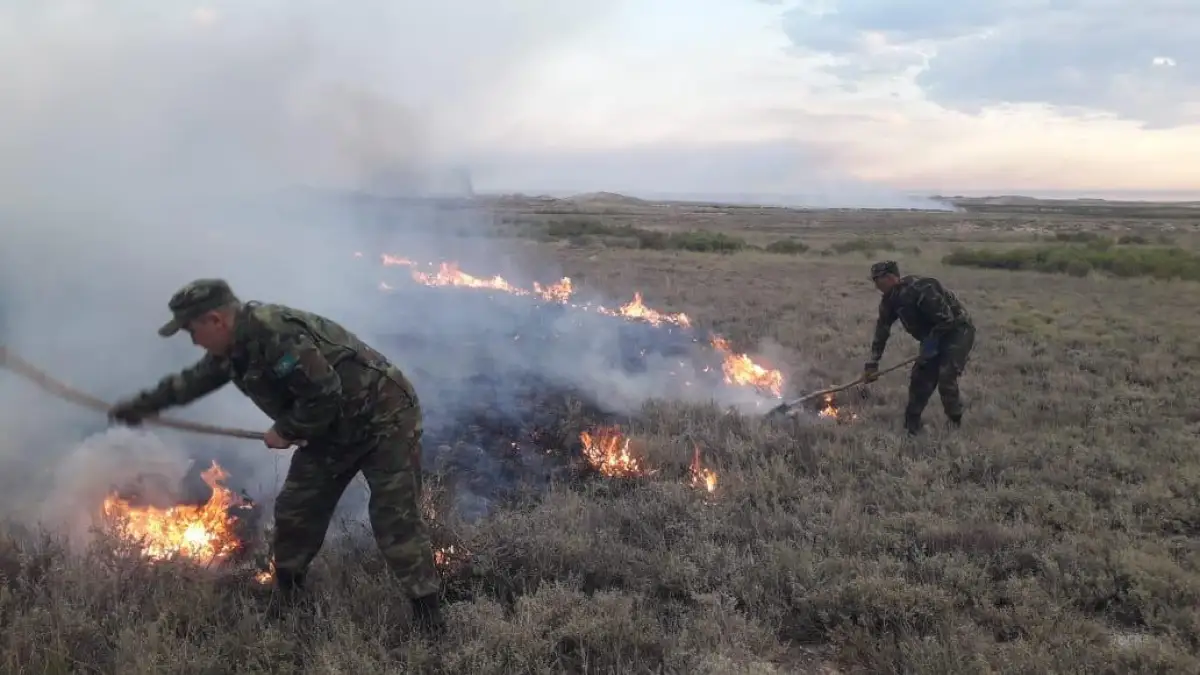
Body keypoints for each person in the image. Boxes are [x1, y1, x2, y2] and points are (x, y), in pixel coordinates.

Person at [107, 278, 445, 635]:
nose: (193, 340)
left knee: (394, 515)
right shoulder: (232, 351)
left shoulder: (275, 334)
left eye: (193, 330)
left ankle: (429, 615)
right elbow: (190, 382)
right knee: (296, 510)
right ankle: (292, 602)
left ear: (216, 320)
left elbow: (324, 392)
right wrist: (141, 407)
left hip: (383, 417)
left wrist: (286, 430)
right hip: (330, 430)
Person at [863, 261, 975, 436]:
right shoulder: (889, 301)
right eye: (874, 280)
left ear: (892, 277)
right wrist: (873, 362)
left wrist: (931, 345)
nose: (876, 284)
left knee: (946, 376)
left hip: (957, 332)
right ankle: (912, 424)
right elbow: (882, 330)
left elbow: (947, 320)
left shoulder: (922, 288)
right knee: (920, 377)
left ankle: (955, 422)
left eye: (879, 279)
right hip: (932, 336)